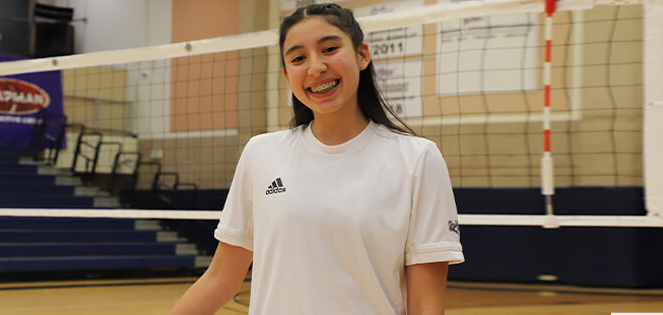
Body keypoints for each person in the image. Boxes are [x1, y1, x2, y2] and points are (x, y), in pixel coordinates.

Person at [169, 3, 464, 315]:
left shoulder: (418, 159)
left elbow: (426, 305)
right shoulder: (261, 153)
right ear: (286, 76)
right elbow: (220, 278)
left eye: (329, 48)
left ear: (362, 54)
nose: (315, 67)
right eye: (298, 58)